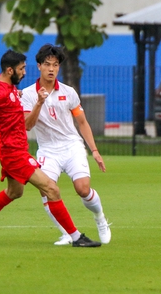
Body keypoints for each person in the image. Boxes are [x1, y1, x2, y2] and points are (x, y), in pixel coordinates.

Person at [0, 49, 101, 248]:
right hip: (13, 152)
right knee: (51, 189)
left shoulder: (0, 83)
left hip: (16, 148)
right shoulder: (0, 91)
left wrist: (10, 95)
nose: (25, 73)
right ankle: (76, 237)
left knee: (14, 192)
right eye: (22, 69)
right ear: (10, 70)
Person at [22, 44, 111, 246]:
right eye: (47, 64)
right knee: (46, 190)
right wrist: (39, 103)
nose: (51, 69)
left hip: (72, 146)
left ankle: (100, 218)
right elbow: (27, 126)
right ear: (39, 66)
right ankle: (67, 233)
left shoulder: (69, 92)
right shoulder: (27, 94)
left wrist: (95, 151)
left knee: (82, 188)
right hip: (47, 150)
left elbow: (82, 122)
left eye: (55, 65)